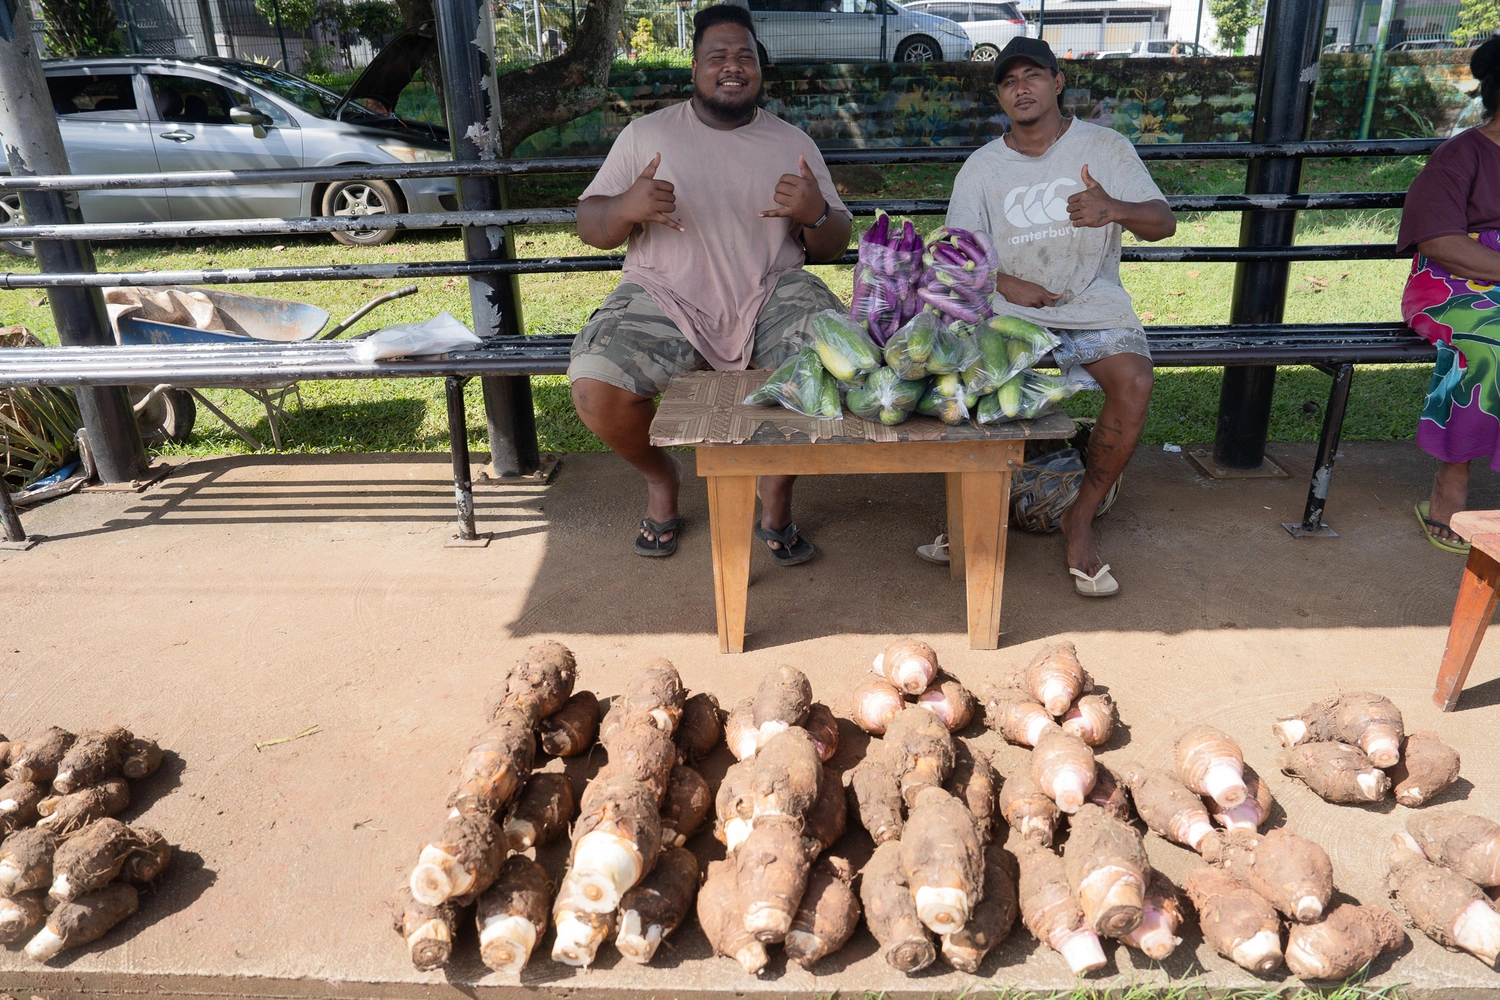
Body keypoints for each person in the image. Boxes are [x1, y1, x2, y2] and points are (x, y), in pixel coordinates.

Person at [569, 3, 853, 562]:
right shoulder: (646, 135)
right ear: (694, 68)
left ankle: (774, 492)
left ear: (759, 70)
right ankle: (661, 479)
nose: (732, 66)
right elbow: (591, 227)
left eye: (744, 56)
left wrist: (816, 212)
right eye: (717, 56)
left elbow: (833, 244)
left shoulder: (790, 142)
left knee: (832, 367)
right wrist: (626, 206)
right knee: (595, 389)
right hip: (666, 293)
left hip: (770, 291)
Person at [936, 36, 1175, 596]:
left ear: (1058, 81)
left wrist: (1112, 209)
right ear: (999, 94)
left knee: (1135, 381)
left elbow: (1163, 221)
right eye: (1009, 80)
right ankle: (968, 516)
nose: (1021, 88)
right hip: (1008, 314)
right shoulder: (982, 167)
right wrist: (1003, 280)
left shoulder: (1105, 146)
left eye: (1032, 76)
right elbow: (954, 254)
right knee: (956, 384)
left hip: (1093, 306)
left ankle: (1081, 518)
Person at [1399, 36, 1500, 554]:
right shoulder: (1459, 156)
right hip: (1455, 284)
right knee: (1489, 341)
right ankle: (1451, 480)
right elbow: (1441, 245)